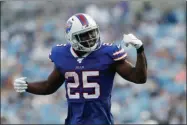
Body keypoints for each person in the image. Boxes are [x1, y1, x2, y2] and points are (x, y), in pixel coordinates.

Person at [13, 13, 147, 124]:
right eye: (84, 35)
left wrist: (140, 50)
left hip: (100, 121)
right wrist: (27, 86)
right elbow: (49, 86)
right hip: (74, 121)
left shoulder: (108, 53)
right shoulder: (62, 55)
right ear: (71, 38)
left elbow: (139, 78)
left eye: (92, 32)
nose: (91, 38)